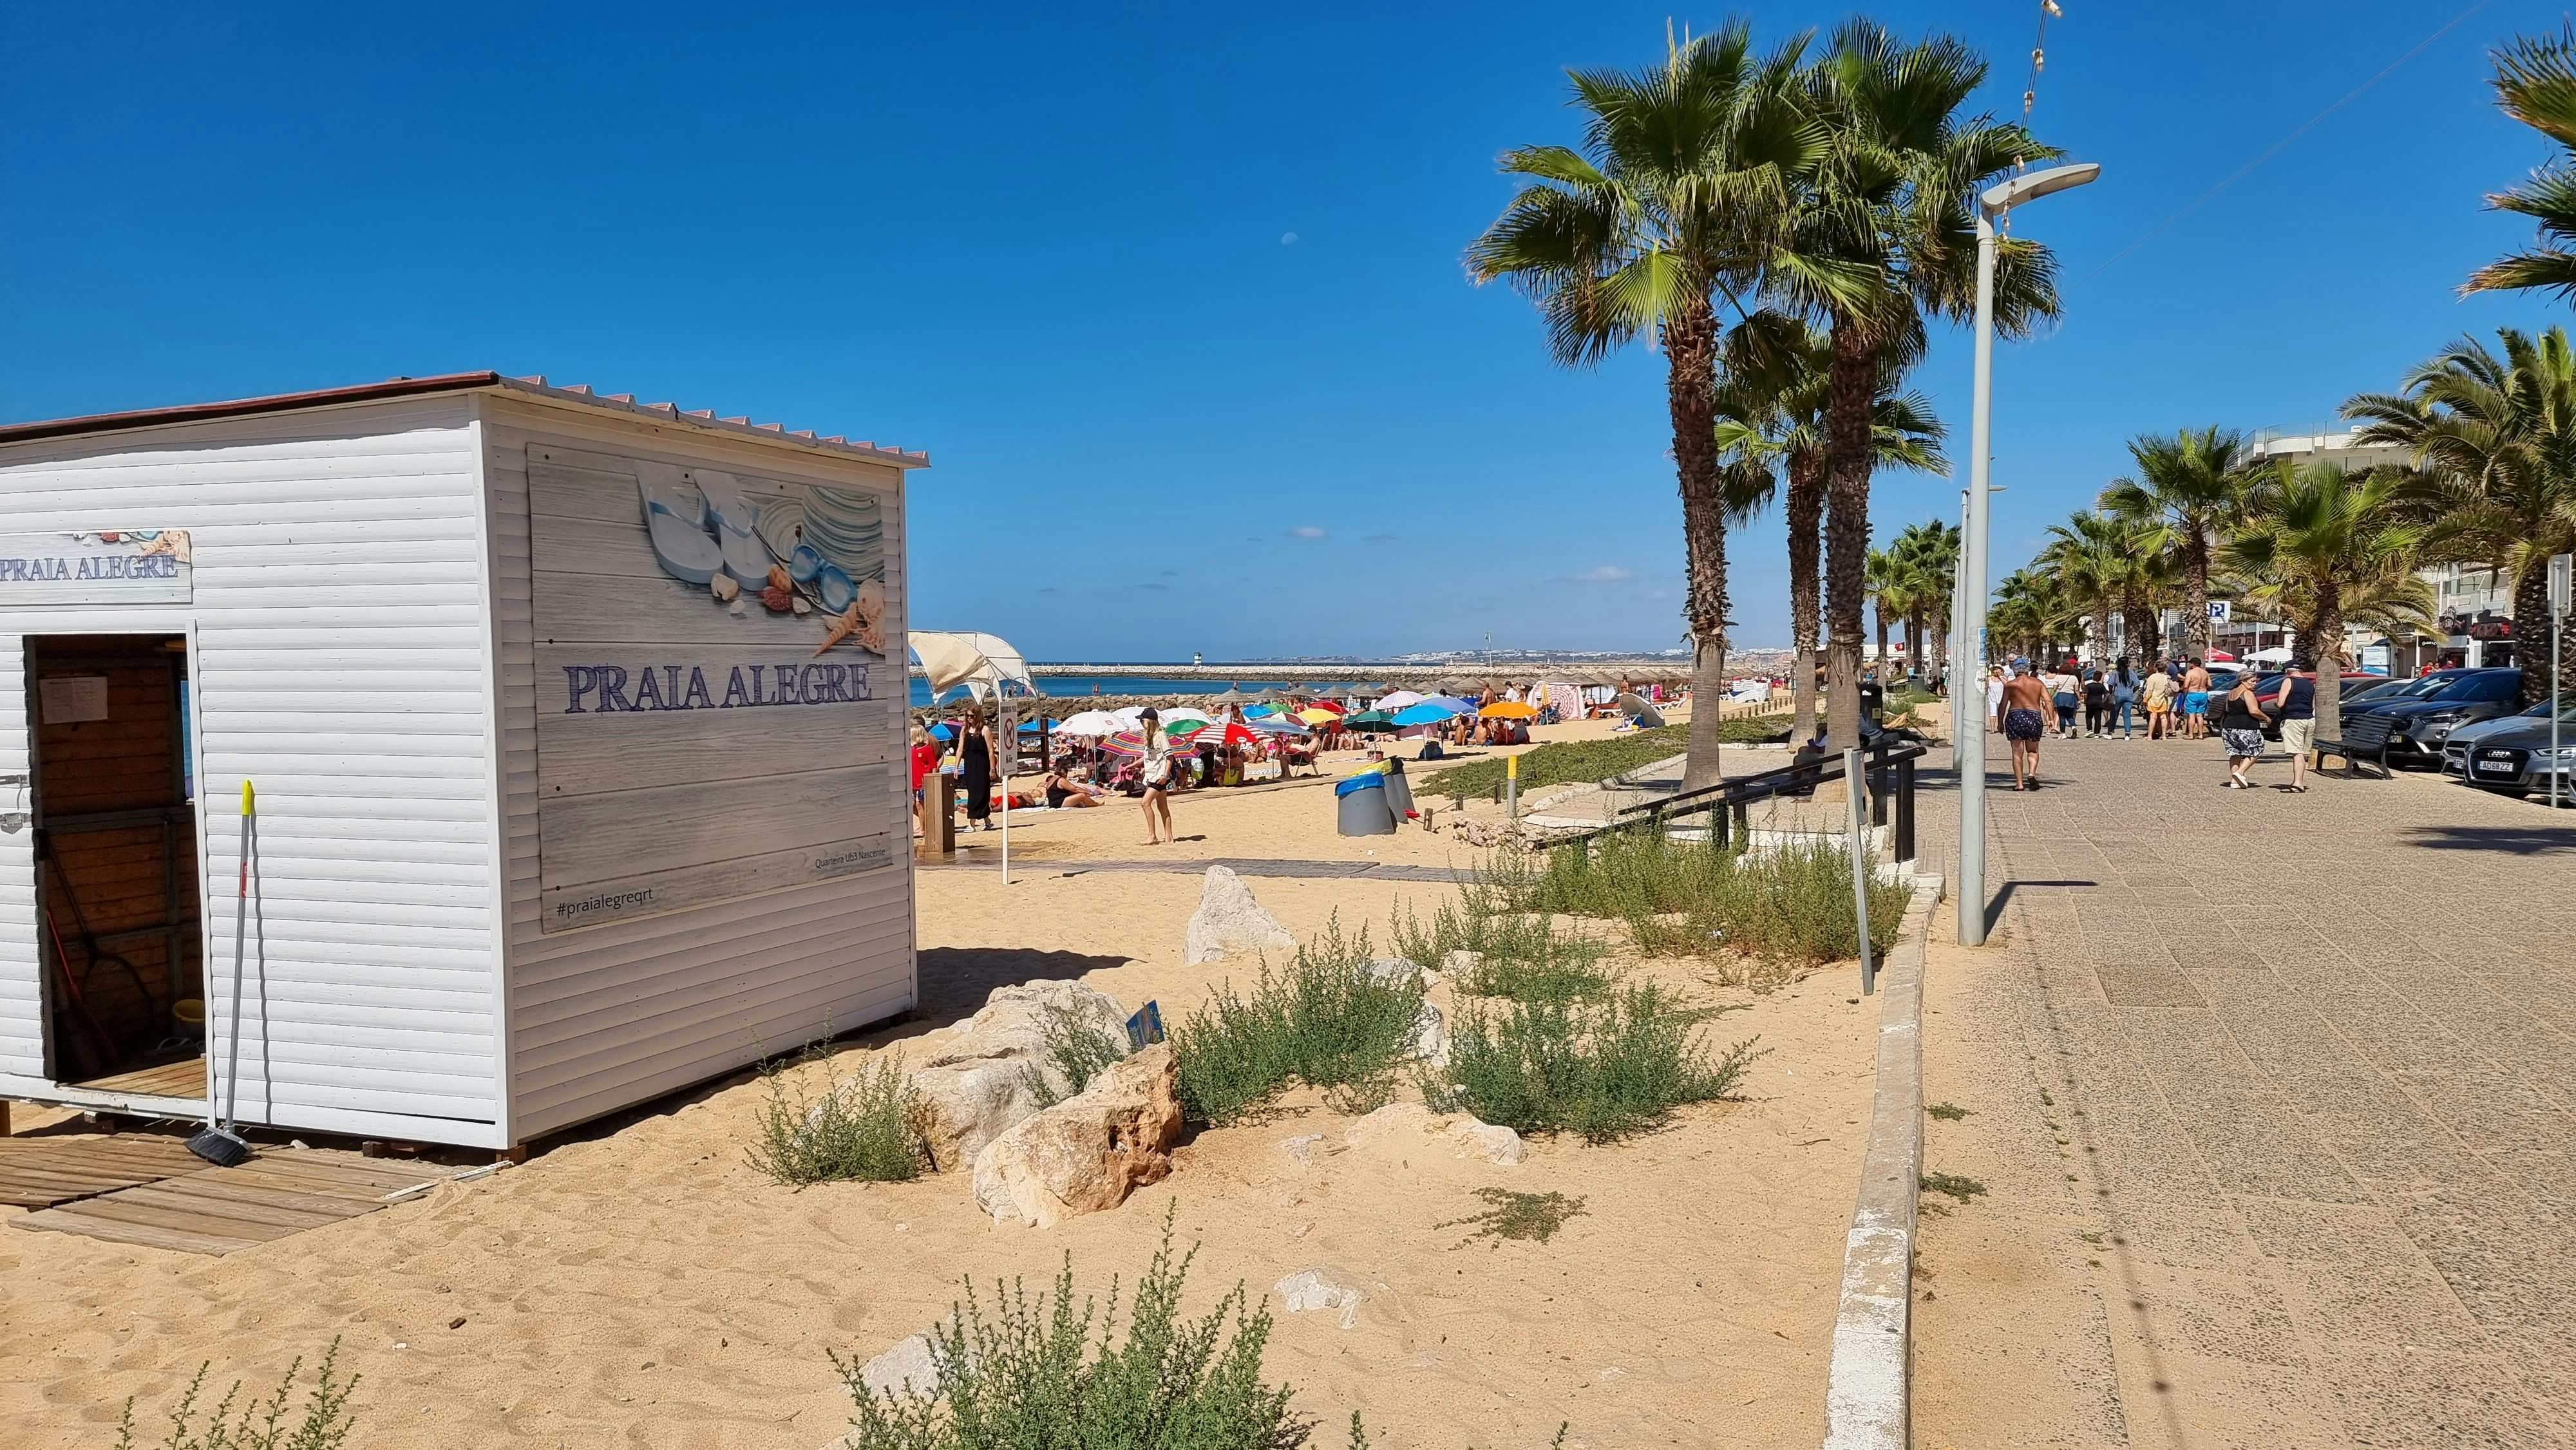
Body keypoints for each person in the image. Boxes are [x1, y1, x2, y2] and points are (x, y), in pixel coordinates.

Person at [1998, 662, 2050, 789]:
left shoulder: (2010, 685)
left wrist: (2000, 722)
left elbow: (2003, 704)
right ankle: (2031, 773)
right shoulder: (2038, 683)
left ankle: (2019, 784)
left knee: (2017, 754)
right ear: (2027, 670)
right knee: (2033, 750)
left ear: (2015, 671)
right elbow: (2048, 701)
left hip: (2015, 717)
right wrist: (2052, 719)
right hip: (2033, 716)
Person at [2268, 663, 2318, 793]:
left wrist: (2276, 703)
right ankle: (2299, 781)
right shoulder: (2309, 683)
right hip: (2308, 719)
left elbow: (2280, 703)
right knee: (2301, 752)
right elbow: (2313, 704)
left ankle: (2298, 783)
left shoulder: (2289, 681)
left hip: (2293, 720)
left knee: (2297, 753)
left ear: (2288, 671)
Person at [2218, 672, 2270, 787]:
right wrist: (2266, 718)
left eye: (2256, 681)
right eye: (2252, 681)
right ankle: (2239, 773)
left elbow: (2227, 709)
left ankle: (2234, 781)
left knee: (2235, 753)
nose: (2255, 684)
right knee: (2256, 749)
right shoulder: (2247, 693)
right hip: (2246, 727)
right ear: (2243, 681)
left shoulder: (2231, 693)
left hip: (2229, 727)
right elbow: (2254, 711)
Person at [1137, 708, 1177, 843]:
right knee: (1162, 806)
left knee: (1145, 803)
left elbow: (1170, 757)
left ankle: (1152, 836)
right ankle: (1169, 837)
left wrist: (1165, 775)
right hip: (1152, 775)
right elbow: (1151, 758)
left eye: (1143, 721)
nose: (1141, 723)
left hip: (1159, 776)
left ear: (1149, 721)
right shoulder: (1150, 737)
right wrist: (1142, 769)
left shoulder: (1160, 736)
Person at [958, 706, 996, 831]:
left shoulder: (985, 730)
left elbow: (991, 751)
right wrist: (956, 767)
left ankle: (972, 823)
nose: (969, 718)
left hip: (982, 765)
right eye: (968, 716)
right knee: (973, 792)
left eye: (972, 716)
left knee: (980, 793)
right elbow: (960, 749)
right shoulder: (965, 730)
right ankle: (987, 821)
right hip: (969, 764)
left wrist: (992, 769)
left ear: (978, 716)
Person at [908, 723, 940, 857]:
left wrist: (932, 779)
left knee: (920, 804)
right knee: (914, 805)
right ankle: (923, 825)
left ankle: (923, 828)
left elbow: (933, 765)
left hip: (923, 782)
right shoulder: (912, 750)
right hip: (913, 782)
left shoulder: (927, 750)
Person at [2141, 663, 2177, 740]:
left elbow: (2150, 690)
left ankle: (2150, 735)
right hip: (2163, 699)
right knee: (2164, 717)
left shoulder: (2152, 677)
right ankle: (2164, 735)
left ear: (2156, 668)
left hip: (2153, 700)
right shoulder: (2166, 677)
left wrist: (2145, 700)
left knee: (2153, 717)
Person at [2180, 657, 2212, 740]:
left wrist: (2184, 693)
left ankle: (2191, 735)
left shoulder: (2190, 673)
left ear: (2193, 664)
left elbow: (2186, 685)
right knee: (2200, 715)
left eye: (2190, 663)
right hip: (2203, 694)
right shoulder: (2205, 673)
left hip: (2192, 694)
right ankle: (2200, 734)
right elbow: (2210, 685)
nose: (2189, 665)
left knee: (2191, 715)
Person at [2048, 662, 2079, 738]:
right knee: (2070, 716)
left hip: (2061, 697)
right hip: (2071, 697)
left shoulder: (2058, 677)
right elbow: (2077, 690)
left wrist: (2050, 697)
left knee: (2062, 716)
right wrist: (2079, 699)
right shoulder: (2074, 678)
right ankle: (2073, 727)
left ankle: (2063, 733)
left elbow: (2054, 689)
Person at [2108, 659, 2138, 739]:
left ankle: (2110, 732)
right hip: (2128, 696)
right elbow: (2137, 684)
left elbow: (2111, 684)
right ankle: (2127, 734)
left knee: (2114, 715)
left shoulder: (2115, 673)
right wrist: (2132, 691)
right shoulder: (2132, 673)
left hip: (2118, 695)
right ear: (2126, 664)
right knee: (2127, 715)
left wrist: (2110, 692)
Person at [2081, 668, 2109, 739]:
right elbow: (2107, 694)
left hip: (2090, 702)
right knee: (2098, 718)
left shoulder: (2088, 685)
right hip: (2099, 703)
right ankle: (2097, 733)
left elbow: (2085, 694)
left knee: (2088, 717)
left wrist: (2085, 701)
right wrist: (2104, 701)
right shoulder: (2101, 686)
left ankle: (2089, 730)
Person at [1984, 664, 2008, 733]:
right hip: (1992, 698)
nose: (1996, 671)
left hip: (2001, 698)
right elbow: (1987, 687)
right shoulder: (1989, 678)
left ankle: (2000, 725)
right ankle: (1992, 728)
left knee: (2001, 713)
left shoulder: (2004, 678)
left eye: (1998, 669)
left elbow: (2007, 684)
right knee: (1993, 713)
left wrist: (2000, 677)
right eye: (1995, 669)